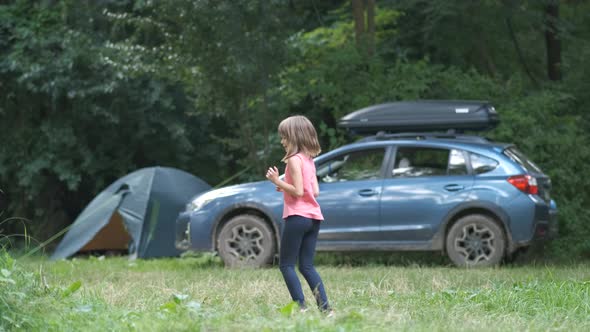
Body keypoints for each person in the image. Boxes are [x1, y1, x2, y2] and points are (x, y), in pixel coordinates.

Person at [265, 115, 332, 315]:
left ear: (294, 137)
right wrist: (286, 187)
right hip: (313, 218)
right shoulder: (309, 160)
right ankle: (326, 310)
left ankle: (301, 308)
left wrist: (277, 181)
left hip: (297, 217)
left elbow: (299, 191)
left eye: (284, 137)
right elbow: (314, 192)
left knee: (286, 265)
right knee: (307, 266)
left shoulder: (294, 160)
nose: (282, 141)